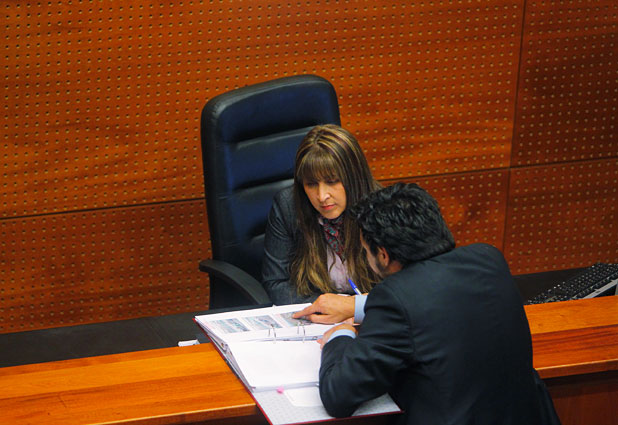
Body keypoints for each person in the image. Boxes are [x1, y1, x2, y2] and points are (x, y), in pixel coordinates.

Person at [317, 182, 560, 425]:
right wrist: (360, 307)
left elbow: (338, 396)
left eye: (365, 251)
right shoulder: (489, 258)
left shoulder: (394, 298)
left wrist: (341, 336)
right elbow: (437, 306)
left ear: (383, 254)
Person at [261, 124, 382, 305]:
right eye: (311, 184)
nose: (322, 196)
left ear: (354, 178)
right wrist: (328, 307)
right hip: (316, 314)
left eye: (332, 181)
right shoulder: (288, 206)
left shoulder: (382, 208)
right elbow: (277, 285)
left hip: (371, 315)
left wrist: (353, 307)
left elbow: (405, 286)